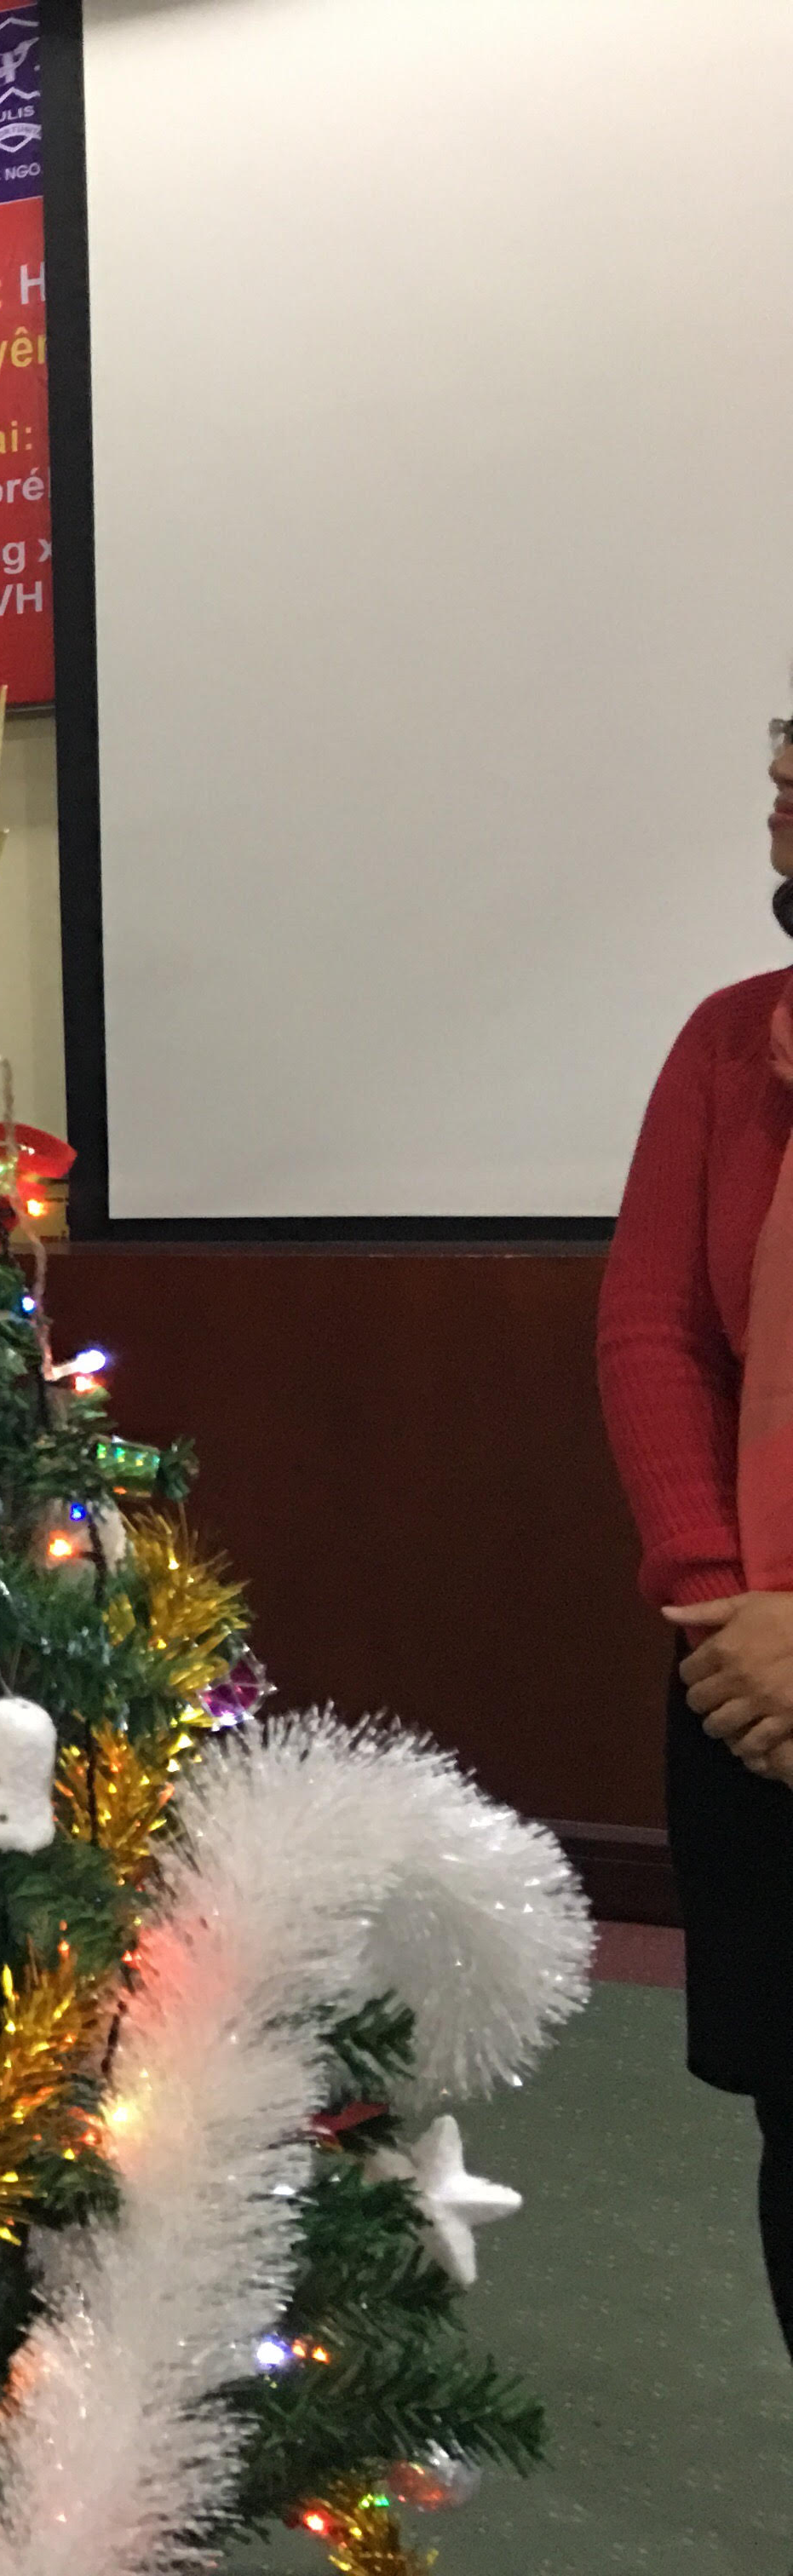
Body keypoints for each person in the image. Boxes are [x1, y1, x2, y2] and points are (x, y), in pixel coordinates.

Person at [595, 707, 793, 2368]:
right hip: (750, 1680)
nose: (781, 804)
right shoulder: (732, 1045)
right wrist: (727, 1598)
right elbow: (654, 1333)